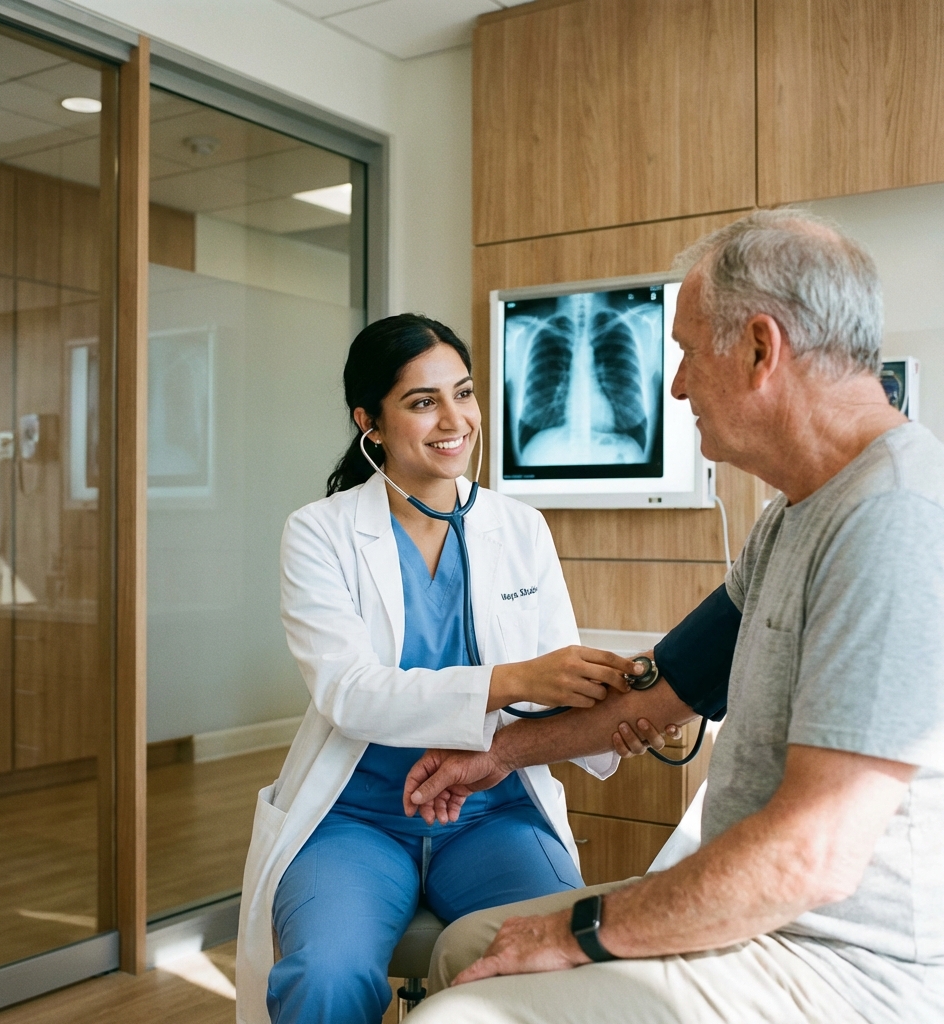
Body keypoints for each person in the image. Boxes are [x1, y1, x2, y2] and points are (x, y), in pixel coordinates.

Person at [402, 210, 944, 1024]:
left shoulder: (893, 519)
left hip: (842, 963)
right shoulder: (793, 514)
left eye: (688, 351)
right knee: (463, 946)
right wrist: (498, 753)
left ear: (760, 349)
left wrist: (579, 932)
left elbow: (814, 853)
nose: (677, 386)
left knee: (460, 1013)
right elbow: (663, 691)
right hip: (758, 915)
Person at [235, 313, 663, 1024]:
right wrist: (513, 679)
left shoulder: (519, 528)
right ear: (369, 423)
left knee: (564, 964)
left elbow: (556, 694)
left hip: (494, 814)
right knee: (325, 976)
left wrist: (618, 713)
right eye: (422, 401)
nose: (453, 419)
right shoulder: (320, 532)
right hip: (356, 819)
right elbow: (348, 692)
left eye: (462, 393)